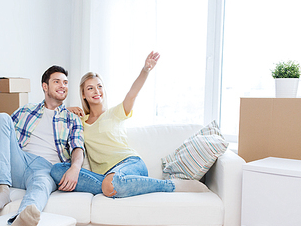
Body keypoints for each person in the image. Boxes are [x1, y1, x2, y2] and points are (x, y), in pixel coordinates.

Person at [50, 51, 208, 197]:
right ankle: (114, 187)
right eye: (90, 88)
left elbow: (133, 93)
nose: (96, 91)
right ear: (83, 94)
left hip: (130, 164)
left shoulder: (115, 113)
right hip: (105, 175)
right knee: (57, 170)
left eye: (99, 86)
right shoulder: (80, 122)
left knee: (112, 182)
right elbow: (50, 117)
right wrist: (64, 109)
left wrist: (145, 70)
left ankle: (170, 186)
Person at [0, 65, 84, 226]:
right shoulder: (26, 110)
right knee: (0, 117)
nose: (63, 85)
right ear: (45, 86)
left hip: (46, 168)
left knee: (41, 185)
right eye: (57, 81)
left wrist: (75, 168)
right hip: (20, 160)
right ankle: (3, 189)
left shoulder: (71, 119)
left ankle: (20, 220)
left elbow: (78, 147)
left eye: (66, 82)